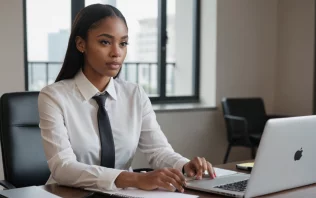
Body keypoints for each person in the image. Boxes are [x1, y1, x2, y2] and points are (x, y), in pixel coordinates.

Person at [38, 4, 216, 193]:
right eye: (105, 42)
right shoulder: (53, 97)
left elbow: (158, 150)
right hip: (70, 194)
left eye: (123, 43)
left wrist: (184, 165)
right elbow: (62, 167)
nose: (117, 52)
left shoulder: (134, 94)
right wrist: (135, 178)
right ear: (81, 44)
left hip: (124, 193)